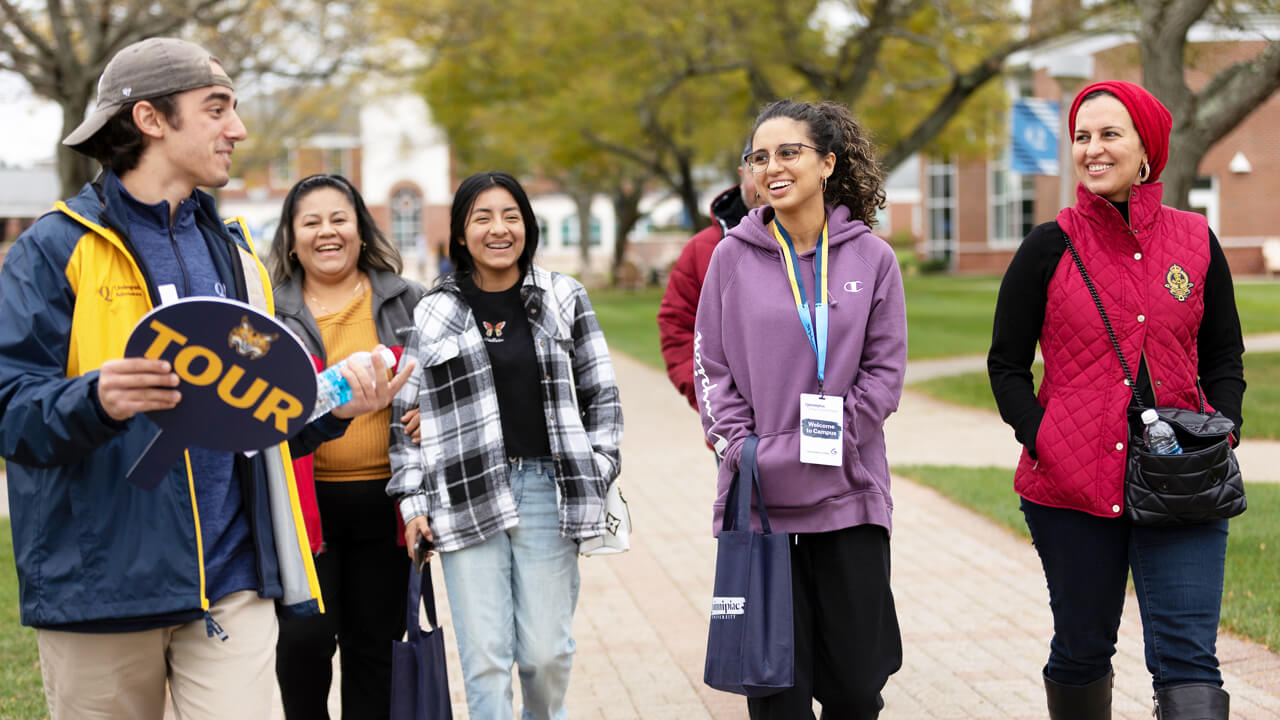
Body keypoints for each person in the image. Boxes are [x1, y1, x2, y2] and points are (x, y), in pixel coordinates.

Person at [0, 38, 410, 720]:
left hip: (231, 582)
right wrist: (94, 398)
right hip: (102, 588)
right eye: (216, 109)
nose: (238, 130)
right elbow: (11, 407)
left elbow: (255, 423)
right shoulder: (54, 249)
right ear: (150, 120)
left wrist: (332, 404)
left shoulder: (236, 254)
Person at [988, 81, 1245, 719]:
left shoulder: (1195, 241)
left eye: (1109, 135)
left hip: (1185, 477)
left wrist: (1224, 430)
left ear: (1146, 150)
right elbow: (1006, 365)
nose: (1092, 150)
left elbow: (1222, 358)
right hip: (1070, 486)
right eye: (1081, 137)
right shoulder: (1049, 244)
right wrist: (1042, 436)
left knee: (1190, 659)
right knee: (1082, 649)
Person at [694, 99, 906, 719]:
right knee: (776, 691)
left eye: (789, 152)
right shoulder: (732, 257)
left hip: (848, 496)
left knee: (855, 687)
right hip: (762, 502)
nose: (772, 167)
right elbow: (712, 368)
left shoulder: (872, 259)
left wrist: (833, 439)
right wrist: (740, 447)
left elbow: (884, 373)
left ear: (828, 163)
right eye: (760, 157)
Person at [389, 171, 623, 720]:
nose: (499, 229)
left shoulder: (565, 296)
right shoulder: (434, 309)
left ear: (527, 225)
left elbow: (602, 393)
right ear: (461, 232)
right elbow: (403, 421)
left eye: (510, 216)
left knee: (546, 653)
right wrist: (413, 505)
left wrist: (600, 465)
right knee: (486, 661)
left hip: (547, 489)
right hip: (464, 492)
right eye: (483, 217)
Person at [269, 173, 426, 720]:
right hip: (301, 511)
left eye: (339, 218)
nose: (327, 232)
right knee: (302, 648)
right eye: (310, 222)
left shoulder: (408, 301)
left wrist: (435, 419)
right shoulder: (266, 311)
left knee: (375, 651)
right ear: (291, 238)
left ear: (361, 230)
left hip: (385, 506)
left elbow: (448, 387)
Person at [657, 143, 758, 410]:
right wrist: (714, 401)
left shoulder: (829, 245)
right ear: (741, 173)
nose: (767, 176)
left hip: (819, 428)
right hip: (738, 427)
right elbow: (676, 327)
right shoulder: (702, 250)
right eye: (756, 163)